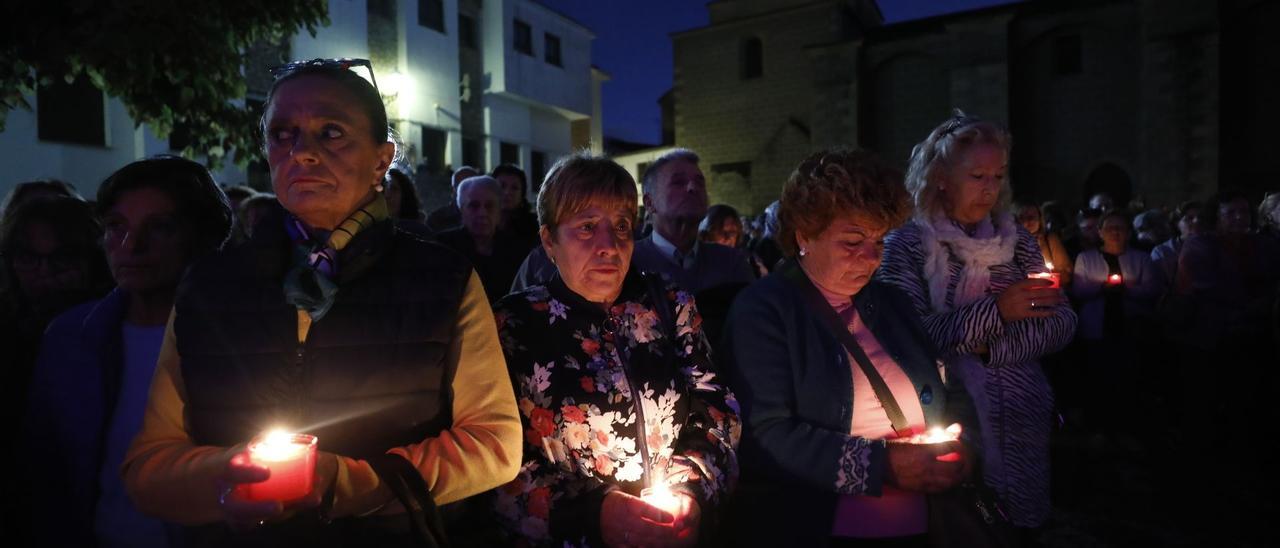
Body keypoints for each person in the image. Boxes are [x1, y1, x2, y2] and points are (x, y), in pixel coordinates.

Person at [121, 58, 521, 545]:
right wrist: (228, 475)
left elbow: (495, 444)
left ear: (381, 159)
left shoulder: (443, 278)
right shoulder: (208, 285)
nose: (302, 152)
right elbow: (149, 465)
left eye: (331, 133)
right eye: (282, 133)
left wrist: (343, 483)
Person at [725, 148, 971, 546]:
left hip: (930, 521)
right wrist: (881, 465)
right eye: (853, 241)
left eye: (879, 240)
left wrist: (960, 445)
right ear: (805, 235)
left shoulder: (892, 303)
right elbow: (764, 433)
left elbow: (948, 385)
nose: (872, 258)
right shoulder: (765, 310)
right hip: (825, 526)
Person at [491, 152, 739, 546]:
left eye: (621, 226)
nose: (609, 245)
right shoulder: (512, 325)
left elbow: (715, 406)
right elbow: (494, 460)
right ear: (549, 240)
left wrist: (691, 492)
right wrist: (593, 514)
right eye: (587, 227)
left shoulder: (669, 304)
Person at [878, 113, 1076, 530]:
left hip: (1024, 414)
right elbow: (910, 336)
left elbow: (1061, 323)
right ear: (942, 177)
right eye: (978, 175)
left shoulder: (1016, 239)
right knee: (967, 525)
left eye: (998, 176)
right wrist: (998, 312)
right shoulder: (908, 245)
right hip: (951, 414)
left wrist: (992, 347)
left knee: (1023, 524)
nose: (991, 188)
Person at [24, 156, 234, 548]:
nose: (131, 246)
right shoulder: (72, 338)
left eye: (159, 228)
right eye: (117, 227)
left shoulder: (237, 339)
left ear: (200, 237)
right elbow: (46, 468)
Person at [1069, 210, 1162, 435]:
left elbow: (1151, 290)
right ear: (1100, 232)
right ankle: (1098, 429)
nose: (1116, 232)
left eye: (1121, 228)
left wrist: (1126, 289)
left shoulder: (1141, 258)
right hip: (1096, 329)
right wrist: (1102, 287)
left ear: (1129, 232)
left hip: (1131, 328)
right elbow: (1079, 290)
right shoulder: (1086, 258)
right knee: (1098, 379)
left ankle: (1126, 429)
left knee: (1128, 379)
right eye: (1110, 227)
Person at [633, 149, 754, 294]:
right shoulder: (628, 263)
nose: (693, 187)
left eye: (699, 182)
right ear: (649, 203)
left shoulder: (732, 263)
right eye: (678, 182)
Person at [435, 175, 528, 303]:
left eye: (489, 206)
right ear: (461, 209)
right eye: (474, 206)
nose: (482, 213)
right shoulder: (443, 246)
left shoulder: (517, 250)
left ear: (499, 210)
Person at [1015, 201, 1073, 287]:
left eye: (1033, 217)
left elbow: (1066, 274)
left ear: (1040, 218)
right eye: (1023, 217)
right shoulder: (1009, 244)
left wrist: (1050, 276)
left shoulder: (1050, 239)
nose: (1029, 221)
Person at [1150, 200, 1202, 285]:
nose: (1197, 221)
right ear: (1177, 224)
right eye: (1189, 218)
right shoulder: (1162, 252)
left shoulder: (1213, 247)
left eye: (1200, 217)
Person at [492, 163, 540, 252]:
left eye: (514, 188)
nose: (507, 192)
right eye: (502, 186)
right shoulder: (481, 221)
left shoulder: (534, 226)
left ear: (522, 194)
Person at [425, 165, 478, 232]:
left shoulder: (486, 217)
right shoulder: (436, 219)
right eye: (463, 187)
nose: (469, 191)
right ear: (453, 189)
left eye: (473, 187)